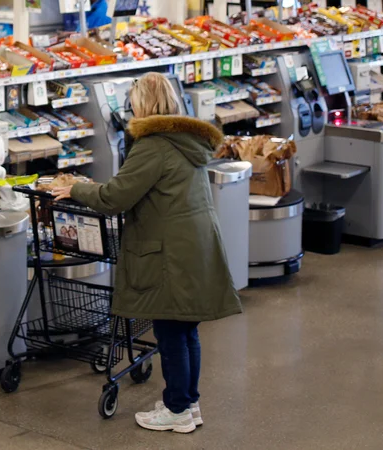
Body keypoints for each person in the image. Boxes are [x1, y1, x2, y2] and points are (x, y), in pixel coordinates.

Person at [52, 73, 241, 433]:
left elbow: (115, 198)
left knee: (170, 333)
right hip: (195, 243)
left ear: (144, 104)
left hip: (171, 251)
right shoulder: (187, 139)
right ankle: (188, 403)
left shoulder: (154, 144)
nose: (130, 108)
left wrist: (76, 188)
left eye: (133, 100)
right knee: (187, 330)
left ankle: (177, 410)